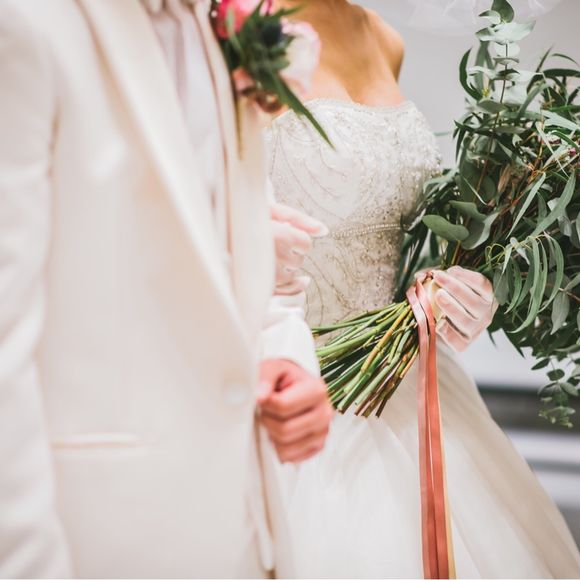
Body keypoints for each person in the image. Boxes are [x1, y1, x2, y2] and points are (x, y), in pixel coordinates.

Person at [0, 0, 333, 576]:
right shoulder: (28, 22)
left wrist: (282, 358)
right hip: (95, 541)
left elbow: (226, 254)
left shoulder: (216, 27)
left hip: (242, 532)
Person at [264, 0, 580, 576]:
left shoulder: (385, 38)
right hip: (286, 375)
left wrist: (451, 288)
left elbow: (386, 223)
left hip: (397, 375)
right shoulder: (242, 31)